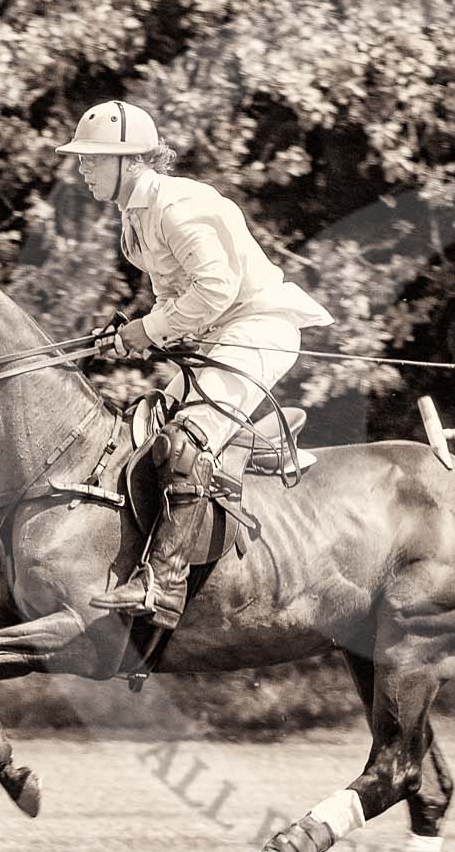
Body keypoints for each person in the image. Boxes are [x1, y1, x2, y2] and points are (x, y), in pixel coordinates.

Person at [56, 99, 333, 628]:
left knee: (188, 442)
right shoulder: (134, 215)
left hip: (257, 328)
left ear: (130, 160)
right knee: (145, 433)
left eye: (92, 158)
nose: (83, 168)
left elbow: (215, 288)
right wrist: (130, 334)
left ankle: (164, 582)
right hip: (214, 336)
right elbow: (176, 298)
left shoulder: (178, 207)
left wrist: (149, 330)